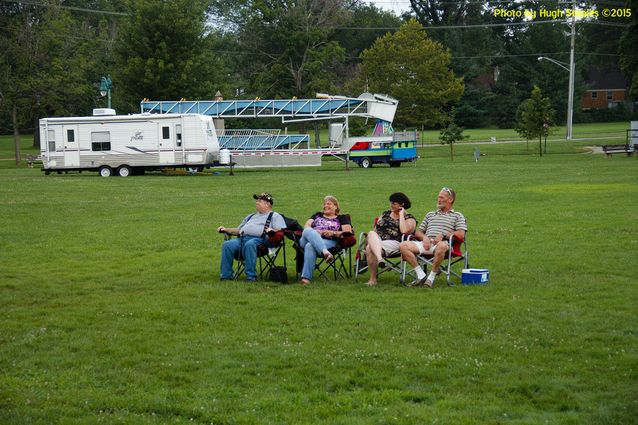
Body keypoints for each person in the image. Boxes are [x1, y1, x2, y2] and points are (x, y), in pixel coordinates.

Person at [399, 187, 467, 288]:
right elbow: (418, 232)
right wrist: (424, 238)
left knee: (442, 246)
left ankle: (430, 278)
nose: (438, 200)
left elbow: (461, 234)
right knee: (403, 245)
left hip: (442, 244)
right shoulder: (430, 214)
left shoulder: (457, 215)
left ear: (450, 199)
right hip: (426, 243)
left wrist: (444, 234)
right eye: (438, 197)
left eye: (441, 197)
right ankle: (421, 275)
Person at [218, 193, 286, 282]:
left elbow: (279, 230)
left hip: (261, 242)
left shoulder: (275, 216)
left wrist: (272, 230)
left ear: (267, 204)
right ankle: (226, 276)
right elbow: (239, 230)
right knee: (227, 245)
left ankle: (251, 277)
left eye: (260, 201)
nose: (256, 202)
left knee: (251, 243)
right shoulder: (251, 216)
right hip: (242, 239)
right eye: (256, 201)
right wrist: (226, 229)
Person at [364, 192, 417, 286]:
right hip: (378, 241)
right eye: (391, 202)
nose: (391, 205)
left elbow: (404, 230)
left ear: (402, 205)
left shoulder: (409, 218)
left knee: (369, 248)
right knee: (371, 233)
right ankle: (380, 259)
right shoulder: (385, 213)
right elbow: (376, 229)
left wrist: (401, 215)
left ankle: (373, 280)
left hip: (395, 243)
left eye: (394, 203)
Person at [298, 195, 353, 285]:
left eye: (329, 204)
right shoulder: (317, 215)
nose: (325, 206)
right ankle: (326, 253)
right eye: (324, 204)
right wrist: (316, 232)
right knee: (308, 230)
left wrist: (332, 233)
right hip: (307, 239)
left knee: (310, 246)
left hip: (329, 242)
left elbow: (348, 232)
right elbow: (306, 227)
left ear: (336, 206)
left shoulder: (342, 218)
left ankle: (306, 279)